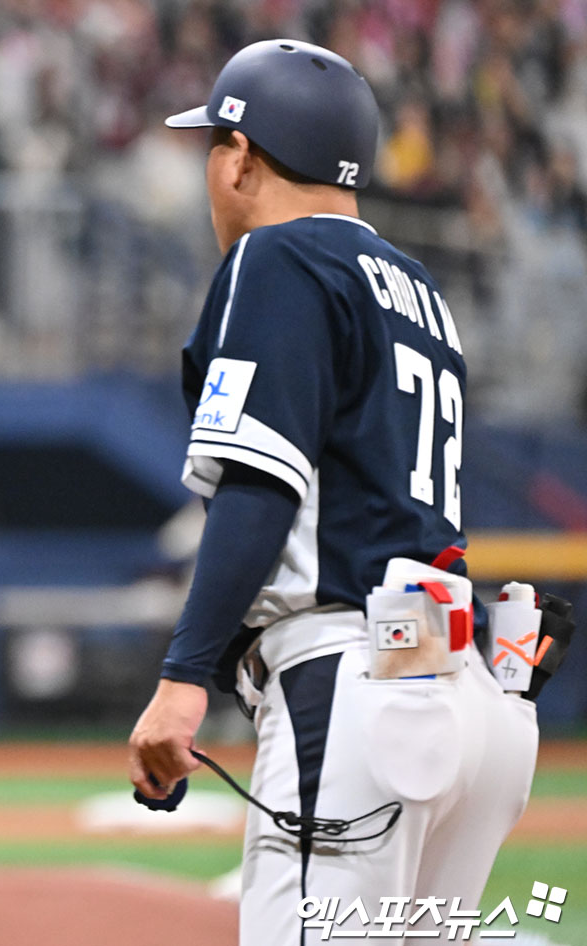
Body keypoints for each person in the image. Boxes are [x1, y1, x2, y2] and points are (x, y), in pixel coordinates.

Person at [127, 40, 541, 943]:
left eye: (213, 148)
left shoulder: (277, 259)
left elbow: (260, 485)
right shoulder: (420, 288)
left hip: (356, 683)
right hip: (467, 690)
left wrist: (183, 677)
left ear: (240, 156)